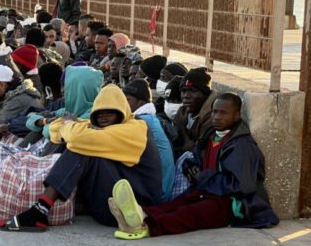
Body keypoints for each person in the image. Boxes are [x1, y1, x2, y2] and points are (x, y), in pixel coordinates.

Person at [109, 93, 279, 240]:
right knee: (176, 204)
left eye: (223, 113)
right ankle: (140, 214)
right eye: (214, 112)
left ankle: (144, 228)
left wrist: (202, 176)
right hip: (208, 190)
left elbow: (241, 185)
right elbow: (197, 157)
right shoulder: (211, 135)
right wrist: (193, 168)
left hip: (233, 203)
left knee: (189, 214)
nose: (217, 117)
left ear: (236, 116)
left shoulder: (241, 145)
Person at [0, 85, 162, 232]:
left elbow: (74, 136)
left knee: (82, 149)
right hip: (112, 204)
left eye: (110, 113)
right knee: (81, 144)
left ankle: (39, 210)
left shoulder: (135, 129)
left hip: (136, 209)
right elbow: (55, 128)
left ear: (122, 114)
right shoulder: (104, 129)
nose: (104, 118)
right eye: (99, 114)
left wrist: (72, 126)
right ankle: (41, 209)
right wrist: (74, 126)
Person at [123, 80, 175, 202]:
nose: (123, 103)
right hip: (156, 188)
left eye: (128, 100)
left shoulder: (143, 122)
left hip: (157, 193)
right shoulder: (147, 118)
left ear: (141, 103)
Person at [174, 68, 218, 158]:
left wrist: (182, 128)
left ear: (205, 94)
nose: (186, 96)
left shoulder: (212, 117)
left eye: (192, 91)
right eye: (184, 91)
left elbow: (200, 154)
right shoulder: (187, 111)